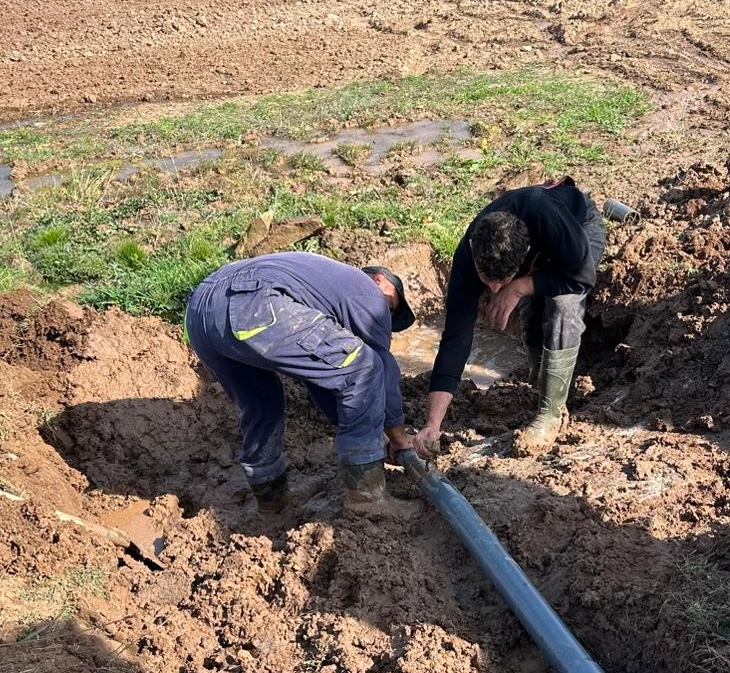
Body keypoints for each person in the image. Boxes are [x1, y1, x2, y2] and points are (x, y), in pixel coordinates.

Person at [185, 252, 418, 515]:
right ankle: (367, 499)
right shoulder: (367, 291)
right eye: (392, 306)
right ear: (380, 280)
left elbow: (323, 380)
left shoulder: (317, 286)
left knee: (262, 403)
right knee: (365, 366)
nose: (386, 314)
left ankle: (271, 500)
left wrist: (357, 425)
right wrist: (399, 438)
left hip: (200, 313)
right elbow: (379, 371)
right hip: (253, 303)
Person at [413, 176, 605, 457]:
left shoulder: (553, 225)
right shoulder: (469, 254)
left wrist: (521, 287)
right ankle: (539, 379)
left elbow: (582, 277)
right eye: (486, 280)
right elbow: (456, 337)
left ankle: (551, 414)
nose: (493, 289)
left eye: (502, 280)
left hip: (579, 226)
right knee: (535, 307)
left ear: (525, 258)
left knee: (563, 303)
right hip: (530, 250)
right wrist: (433, 423)